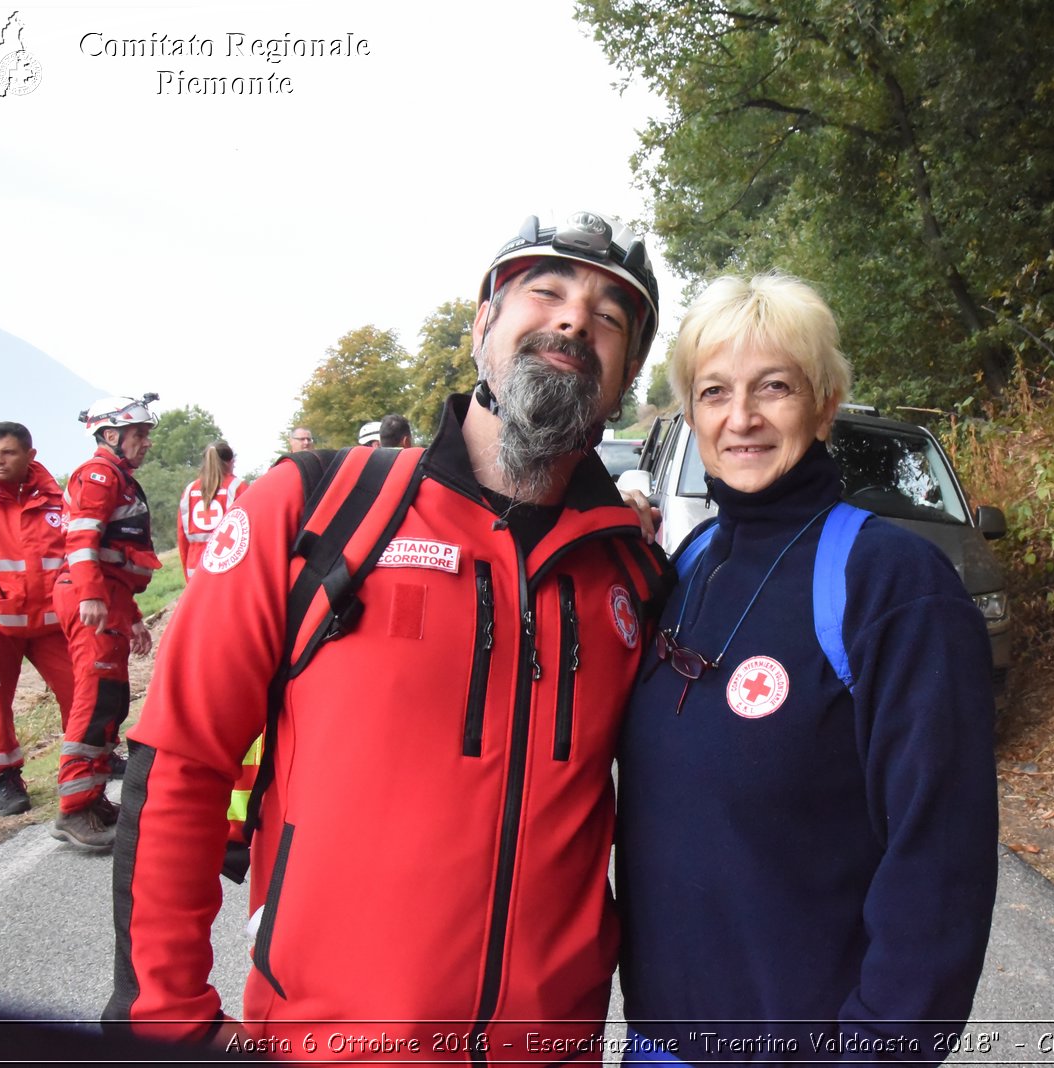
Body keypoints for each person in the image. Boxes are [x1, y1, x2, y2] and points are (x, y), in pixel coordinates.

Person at [107, 210, 671, 1060]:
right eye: (545, 293)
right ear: (482, 325)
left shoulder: (634, 577)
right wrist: (166, 1022)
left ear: (626, 373)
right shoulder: (317, 506)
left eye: (610, 317)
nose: (572, 320)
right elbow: (181, 761)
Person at [615, 273, 998, 1064]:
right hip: (658, 1045)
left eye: (774, 388)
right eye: (715, 391)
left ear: (824, 404)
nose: (742, 417)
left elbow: (940, 859)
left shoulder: (891, 583)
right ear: (691, 413)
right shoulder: (691, 564)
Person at [52, 394, 162, 850]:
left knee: (112, 702)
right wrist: (92, 597)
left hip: (108, 600)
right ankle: (74, 810)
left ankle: (92, 798)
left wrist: (131, 616)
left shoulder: (118, 478)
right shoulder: (98, 475)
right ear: (111, 435)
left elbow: (117, 558)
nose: (146, 444)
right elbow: (82, 541)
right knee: (95, 700)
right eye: (139, 435)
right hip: (90, 599)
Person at [0, 422, 76, 817]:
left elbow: (73, 552)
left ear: (30, 455)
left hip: (52, 622)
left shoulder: (58, 499)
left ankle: (87, 762)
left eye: (7, 453)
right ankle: (6, 780)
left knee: (81, 689)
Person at [176, 442, 246, 581]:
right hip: (230, 569)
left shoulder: (189, 491)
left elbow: (182, 537)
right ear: (230, 461)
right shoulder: (238, 487)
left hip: (196, 570)